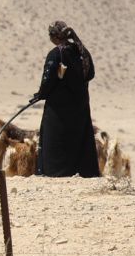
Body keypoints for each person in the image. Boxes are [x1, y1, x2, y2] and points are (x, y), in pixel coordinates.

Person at [33, 20, 99, 177]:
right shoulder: (82, 52)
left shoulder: (56, 53)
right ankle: (84, 172)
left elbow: (47, 80)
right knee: (79, 140)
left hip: (58, 111)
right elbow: (90, 75)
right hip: (80, 108)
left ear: (55, 36)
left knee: (55, 140)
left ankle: (55, 173)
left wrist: (41, 94)